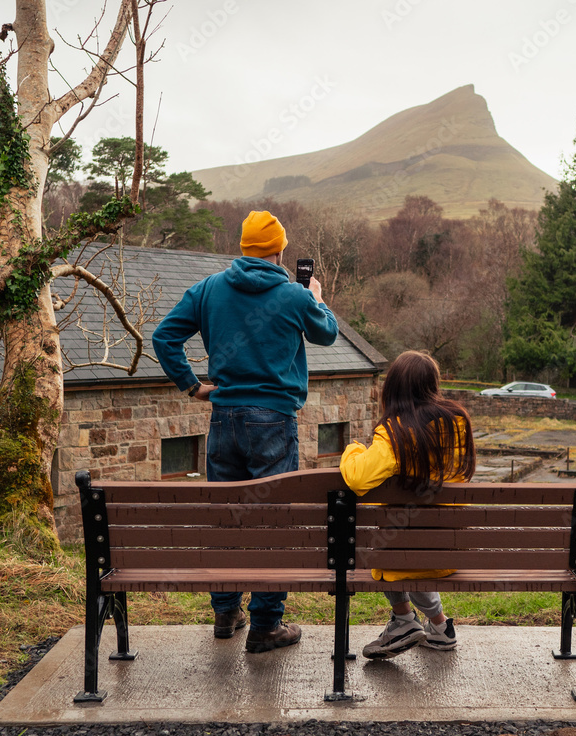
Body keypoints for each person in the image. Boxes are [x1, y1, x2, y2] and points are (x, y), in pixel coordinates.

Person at [152, 209, 339, 653]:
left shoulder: (210, 289)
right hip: (273, 420)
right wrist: (315, 297)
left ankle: (225, 611)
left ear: (243, 247)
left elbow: (164, 337)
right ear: (278, 251)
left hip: (224, 420)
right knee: (272, 522)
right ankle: (266, 625)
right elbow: (328, 334)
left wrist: (193, 386)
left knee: (226, 517)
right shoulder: (294, 296)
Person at [338, 350, 476, 659]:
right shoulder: (457, 423)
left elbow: (358, 479)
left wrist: (354, 448)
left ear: (393, 389)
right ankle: (439, 627)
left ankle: (403, 619)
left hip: (399, 554)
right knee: (411, 544)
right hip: (447, 552)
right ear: (432, 384)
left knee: (393, 545)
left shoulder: (395, 433)